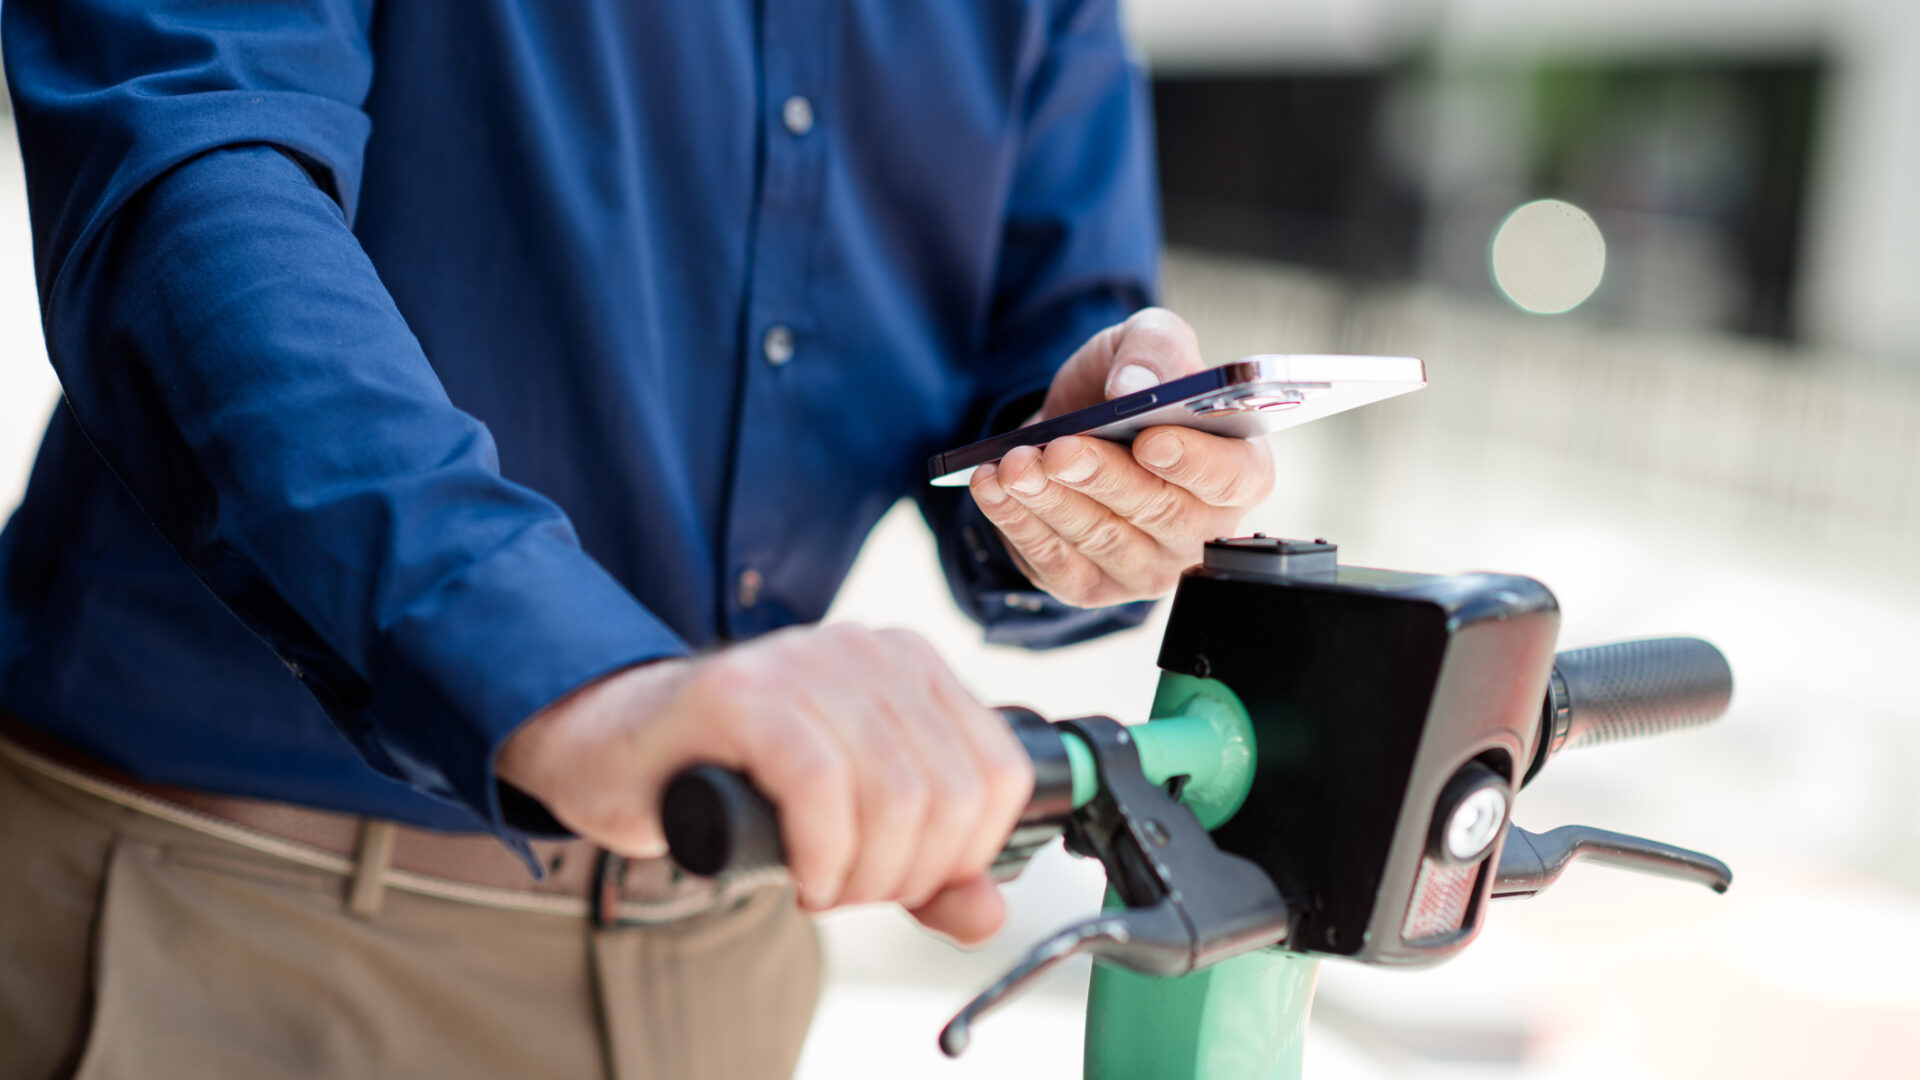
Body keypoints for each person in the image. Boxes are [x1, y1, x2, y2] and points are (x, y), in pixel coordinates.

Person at [0, 2, 1273, 1077]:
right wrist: (564, 671)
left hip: (722, 962)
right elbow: (189, 174)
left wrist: (1092, 492)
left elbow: (1053, 350)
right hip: (216, 920)